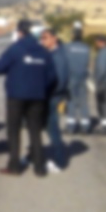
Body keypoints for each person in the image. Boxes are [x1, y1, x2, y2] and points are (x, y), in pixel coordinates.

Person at [0, 18, 58, 177]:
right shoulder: (43, 51)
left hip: (16, 96)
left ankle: (14, 166)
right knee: (35, 131)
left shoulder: (15, 48)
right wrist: (40, 86)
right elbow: (52, 76)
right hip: (37, 96)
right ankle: (39, 167)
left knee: (14, 131)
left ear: (19, 32)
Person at [40, 28, 71, 172]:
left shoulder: (57, 56)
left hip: (53, 96)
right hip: (51, 96)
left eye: (45, 38)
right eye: (41, 38)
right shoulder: (51, 53)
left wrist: (49, 93)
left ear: (54, 39)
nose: (42, 41)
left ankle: (59, 161)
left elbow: (61, 79)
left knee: (53, 128)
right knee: (46, 127)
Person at [65, 27, 93, 134]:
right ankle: (86, 126)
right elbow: (88, 63)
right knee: (83, 102)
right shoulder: (86, 48)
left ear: (73, 35)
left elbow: (65, 62)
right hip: (83, 78)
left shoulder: (67, 47)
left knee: (71, 102)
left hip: (71, 78)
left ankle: (71, 126)